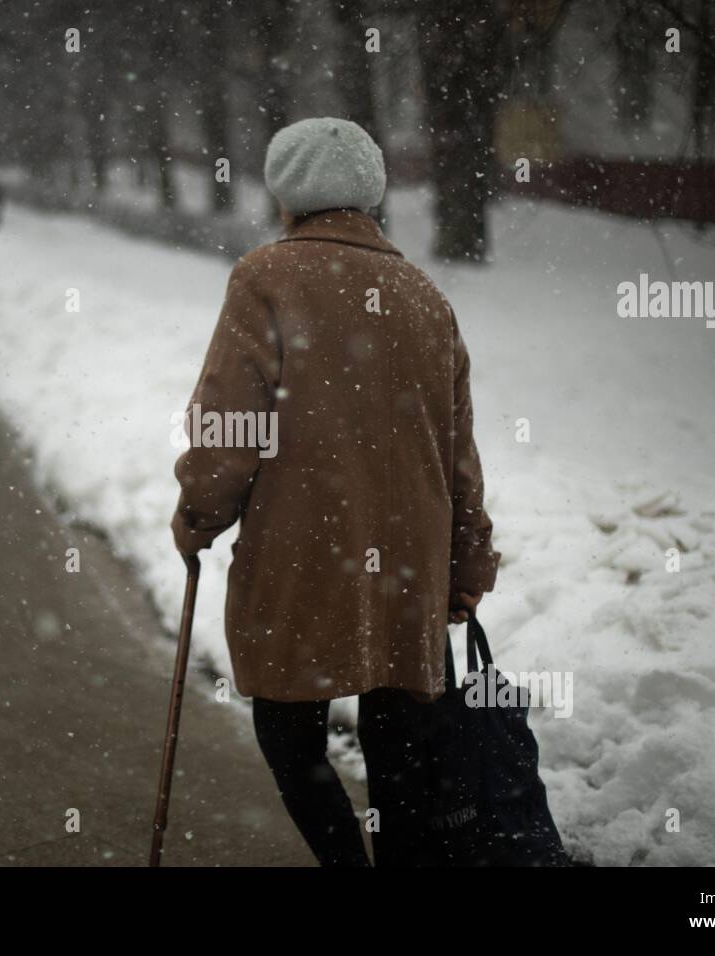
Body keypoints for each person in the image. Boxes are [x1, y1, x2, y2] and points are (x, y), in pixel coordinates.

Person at [170, 117, 500, 867]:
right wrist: (468, 563)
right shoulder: (423, 295)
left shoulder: (265, 277)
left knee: (290, 732)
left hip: (301, 557)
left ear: (287, 196)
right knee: (402, 758)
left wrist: (199, 513)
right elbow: (459, 456)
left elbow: (228, 425)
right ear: (372, 196)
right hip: (409, 569)